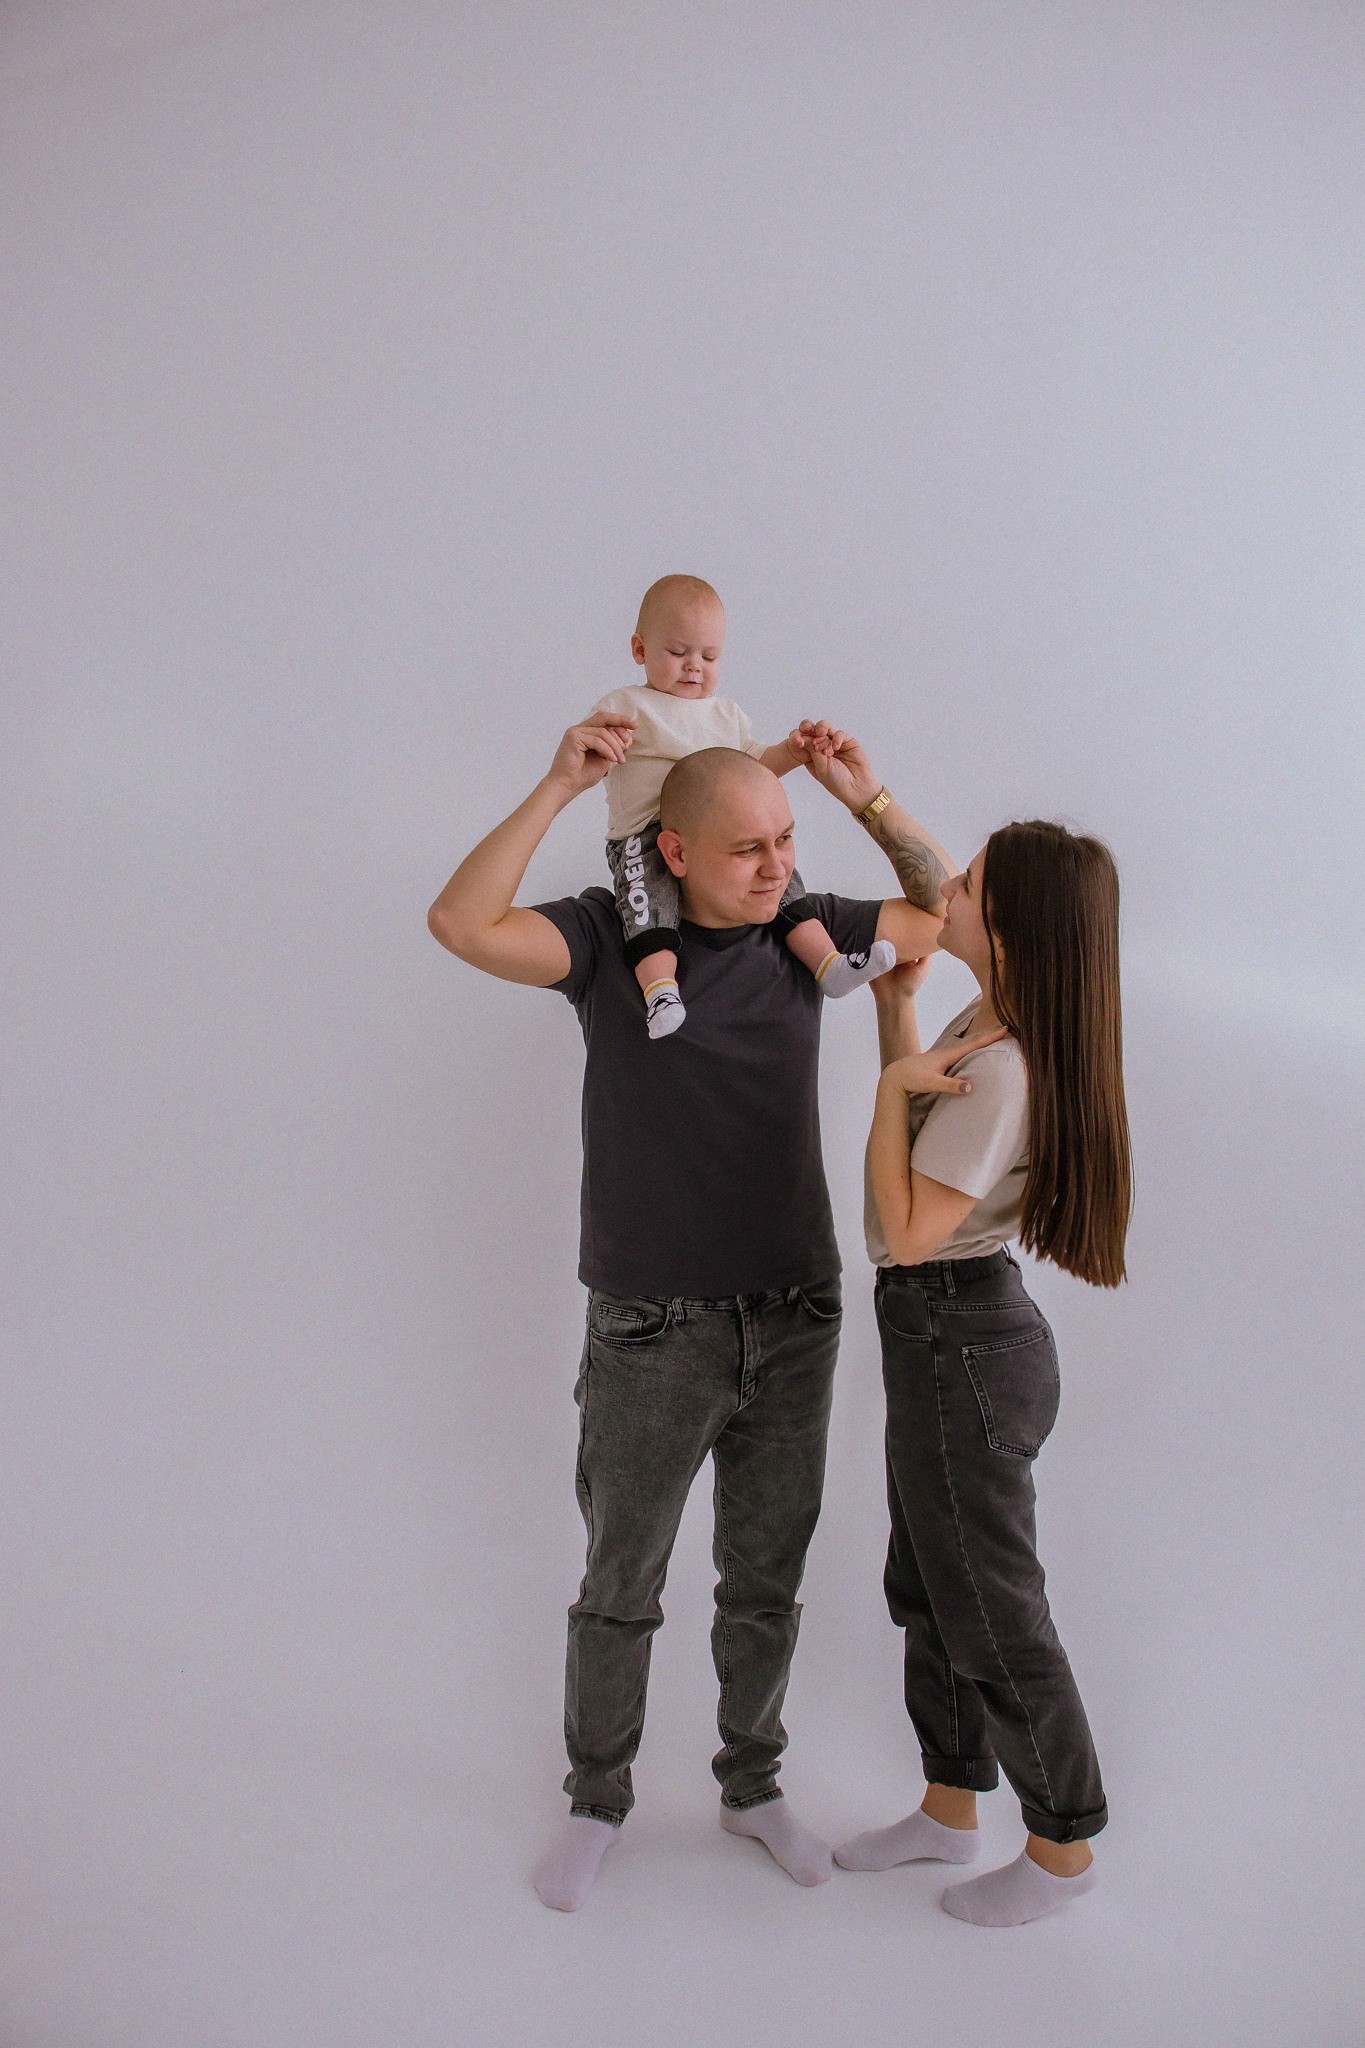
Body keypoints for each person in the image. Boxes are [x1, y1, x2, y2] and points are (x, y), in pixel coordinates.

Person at [426, 718, 982, 1912]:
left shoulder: (808, 927)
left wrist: (869, 798)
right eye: (748, 848)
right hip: (651, 1323)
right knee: (620, 1583)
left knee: (765, 1578)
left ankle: (752, 1785)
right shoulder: (608, 935)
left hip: (796, 1310)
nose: (778, 865)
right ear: (672, 850)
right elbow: (461, 923)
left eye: (787, 839)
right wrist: (557, 783)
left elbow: (959, 920)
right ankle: (596, 1799)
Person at [797, 727, 1131, 1928]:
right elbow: (940, 881)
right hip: (942, 1337)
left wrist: (888, 1087)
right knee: (931, 1584)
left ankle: (1062, 1848)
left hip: (962, 1337)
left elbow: (905, 1226)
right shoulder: (992, 1010)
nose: (950, 891)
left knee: (991, 1607)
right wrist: (866, 800)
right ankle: (949, 1805)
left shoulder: (1004, 1069)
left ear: (1013, 929)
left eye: (976, 887)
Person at [589, 574, 892, 1038]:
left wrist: (791, 752)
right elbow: (594, 745)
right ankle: (661, 991)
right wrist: (599, 744)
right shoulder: (628, 705)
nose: (694, 667)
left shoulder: (724, 714)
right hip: (645, 834)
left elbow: (755, 765)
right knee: (648, 906)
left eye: (709, 657)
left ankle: (828, 963)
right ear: (639, 649)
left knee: (784, 884)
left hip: (724, 837)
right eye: (678, 653)